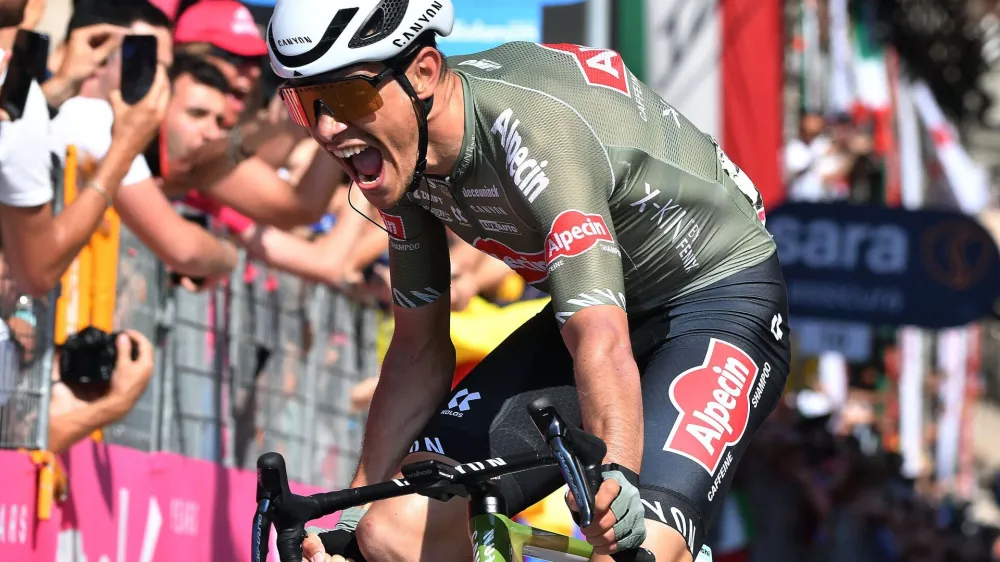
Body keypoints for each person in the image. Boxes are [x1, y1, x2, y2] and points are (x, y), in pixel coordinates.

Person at [273, 1, 790, 560]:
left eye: (349, 96)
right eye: (307, 103)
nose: (328, 128)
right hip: (603, 315)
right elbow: (417, 347)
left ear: (422, 72)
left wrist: (615, 479)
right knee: (392, 531)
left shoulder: (534, 134)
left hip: (716, 303)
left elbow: (600, 337)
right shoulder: (404, 160)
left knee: (633, 551)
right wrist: (355, 511)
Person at [51, 5, 239, 285]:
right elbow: (184, 248)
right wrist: (228, 257)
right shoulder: (95, 118)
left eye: (165, 69)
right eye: (147, 63)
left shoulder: (61, 112)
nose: (160, 81)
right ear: (97, 53)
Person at [0, 3, 170, 297]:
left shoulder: (25, 106)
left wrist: (57, 90)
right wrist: (123, 150)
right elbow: (37, 272)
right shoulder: (88, 118)